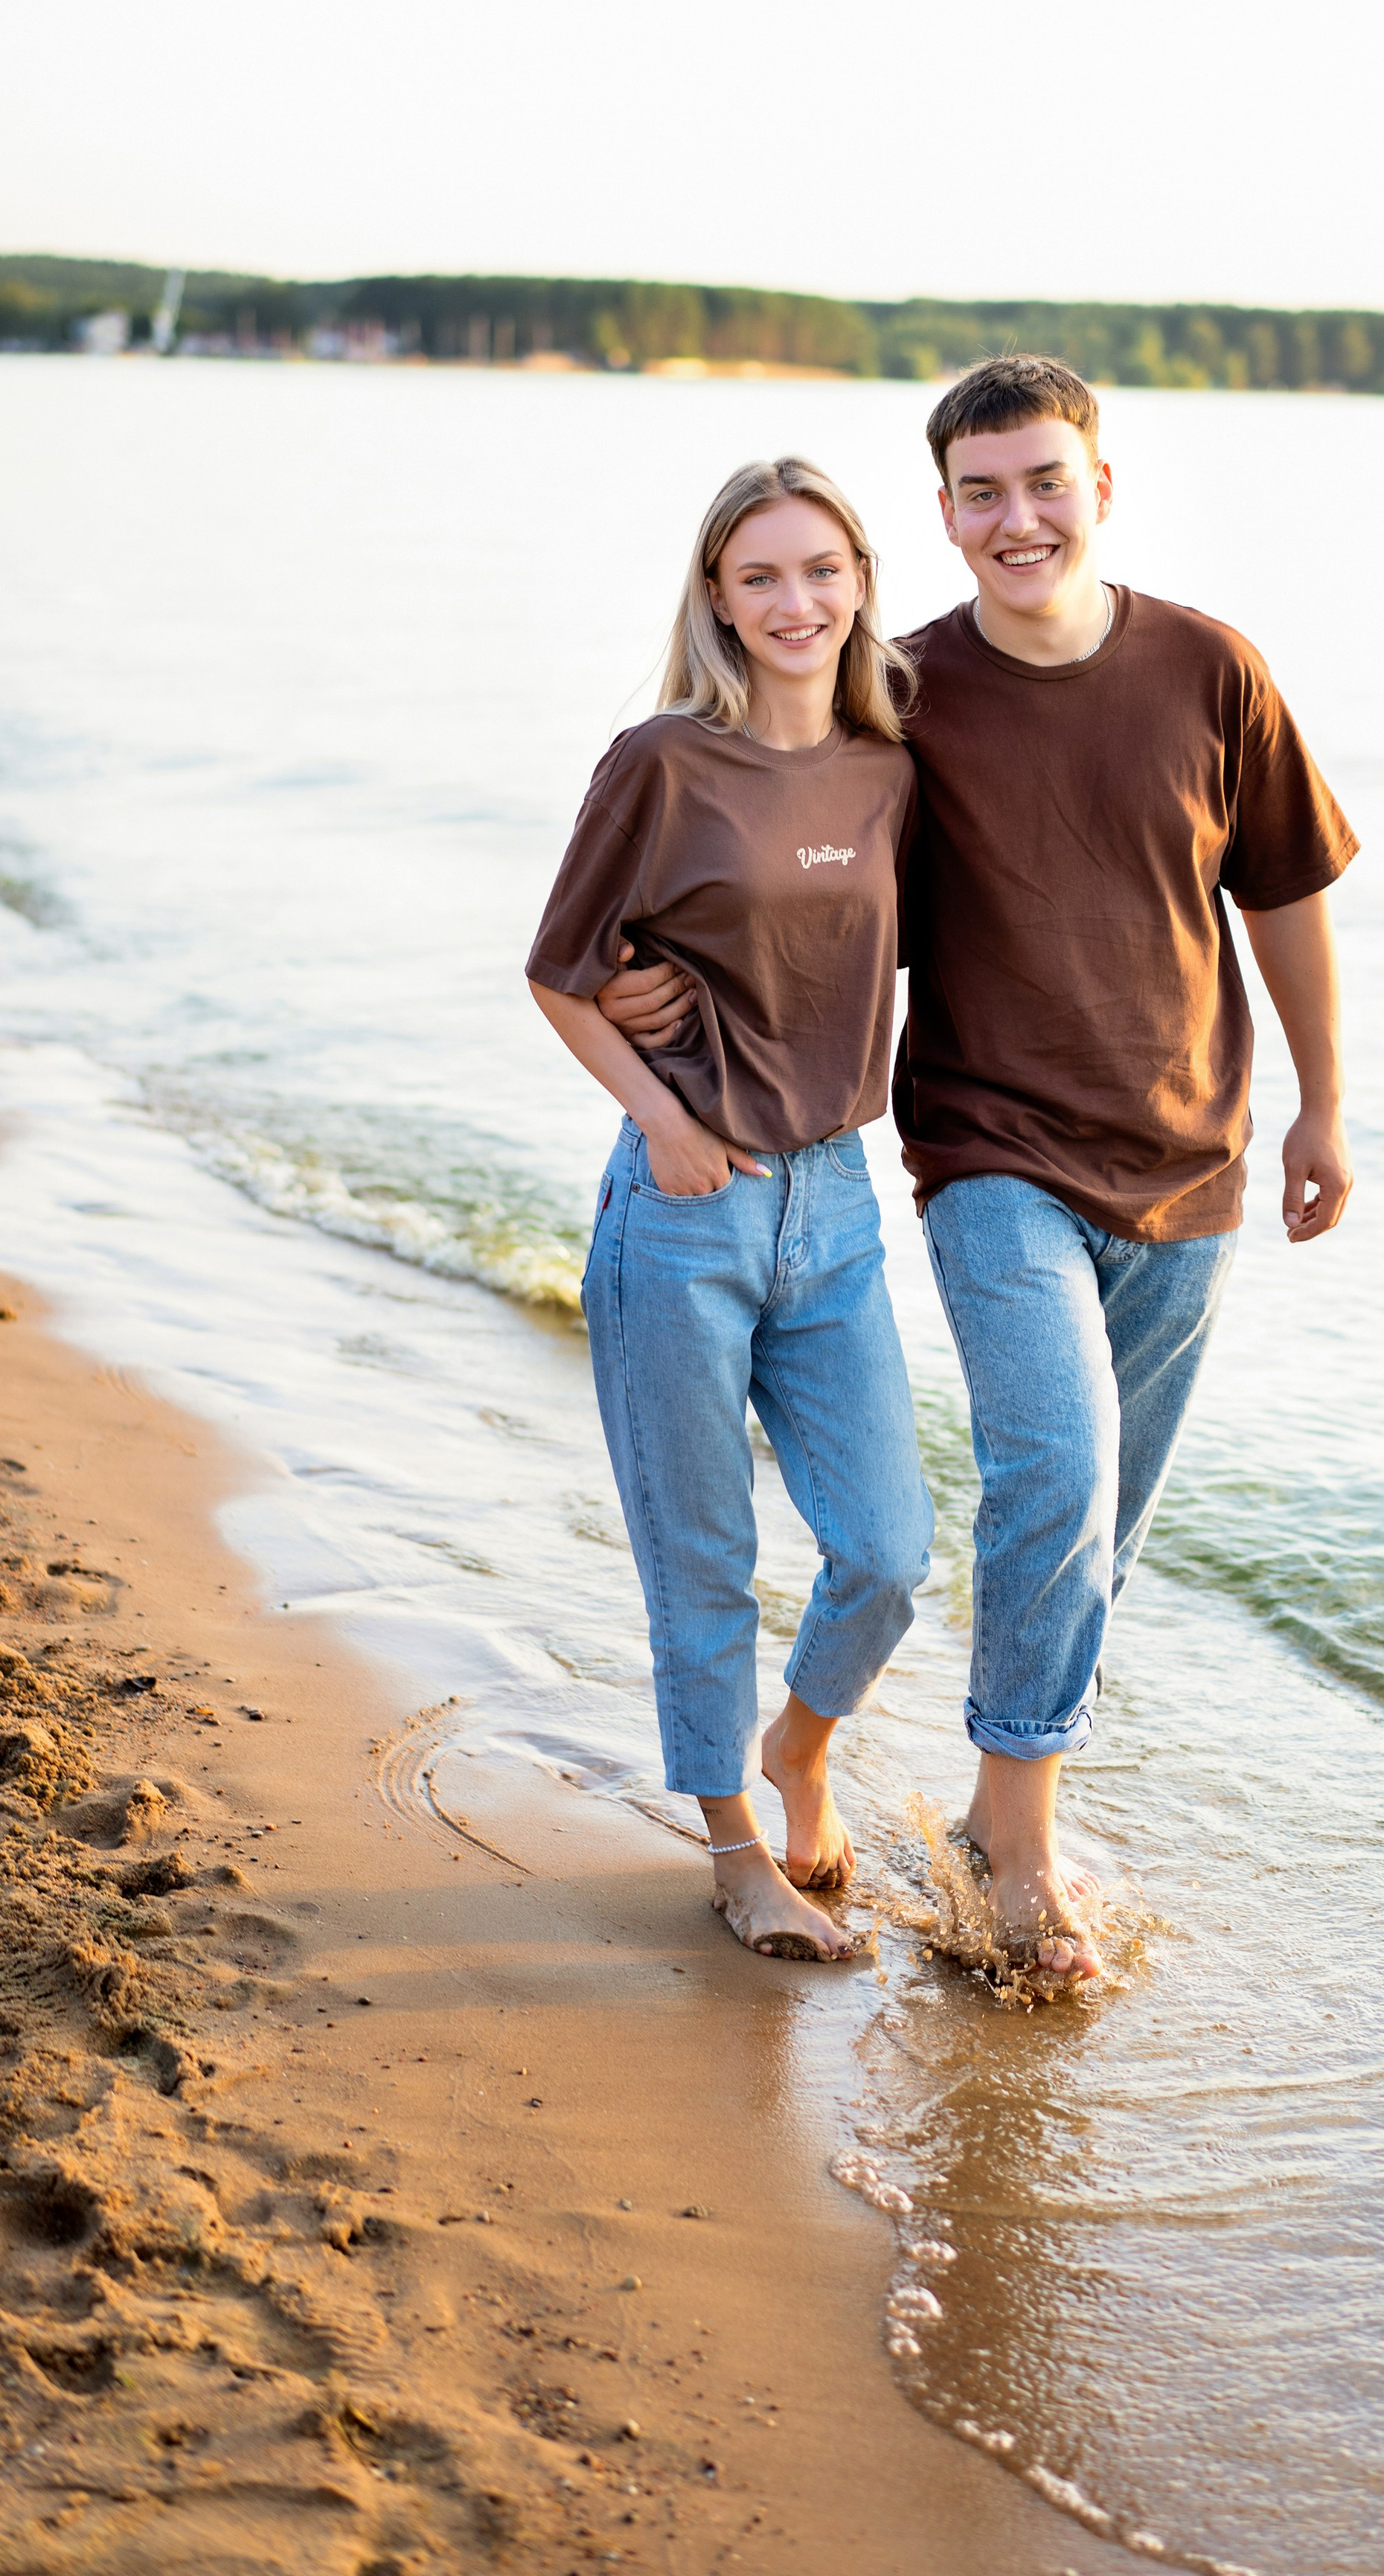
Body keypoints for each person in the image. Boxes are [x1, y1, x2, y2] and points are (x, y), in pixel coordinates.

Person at [603, 359, 1356, 1984]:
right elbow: (782, 859)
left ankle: (963, 1801)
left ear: (1101, 487)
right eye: (981, 492)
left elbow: (1285, 894)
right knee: (1056, 1475)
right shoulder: (902, 695)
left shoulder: (1213, 670)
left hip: (1193, 1165)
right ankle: (1020, 1855)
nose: (1018, 518)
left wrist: (1324, 1107)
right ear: (941, 514)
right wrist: (658, 988)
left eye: (1045, 482)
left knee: (1101, 1526)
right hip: (988, 1154)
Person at [527, 457, 932, 1961]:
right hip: (684, 1210)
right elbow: (560, 974)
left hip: (837, 1207)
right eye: (760, 575)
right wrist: (663, 1116)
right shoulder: (661, 763)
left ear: (860, 582)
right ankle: (735, 1853)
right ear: (717, 594)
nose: (794, 601)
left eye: (821, 570)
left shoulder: (891, 769)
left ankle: (797, 1745)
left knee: (888, 1552)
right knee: (700, 1558)